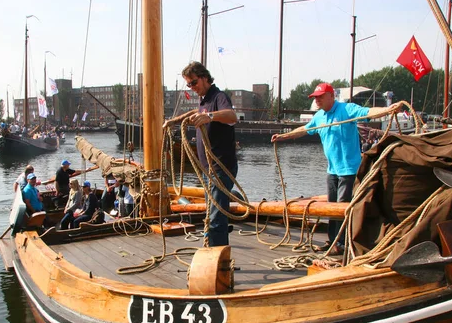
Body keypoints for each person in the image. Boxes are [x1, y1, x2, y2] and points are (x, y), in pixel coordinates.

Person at [270, 82, 402, 255]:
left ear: (331, 96)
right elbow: (305, 129)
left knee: (342, 207)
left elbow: (368, 112)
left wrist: (388, 109)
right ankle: (333, 240)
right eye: (315, 97)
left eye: (320, 96)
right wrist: (284, 136)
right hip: (332, 170)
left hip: (349, 170)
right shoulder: (319, 117)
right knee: (332, 208)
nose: (317, 100)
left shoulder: (346, 110)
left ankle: (341, 243)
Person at [163, 61, 238, 246]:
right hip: (208, 170)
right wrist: (174, 121)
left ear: (205, 78)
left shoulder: (218, 97)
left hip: (221, 168)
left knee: (216, 217)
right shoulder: (205, 101)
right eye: (188, 84)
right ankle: (214, 252)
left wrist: (209, 116)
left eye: (194, 82)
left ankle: (217, 260)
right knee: (210, 214)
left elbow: (231, 116)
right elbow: (195, 112)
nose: (192, 87)